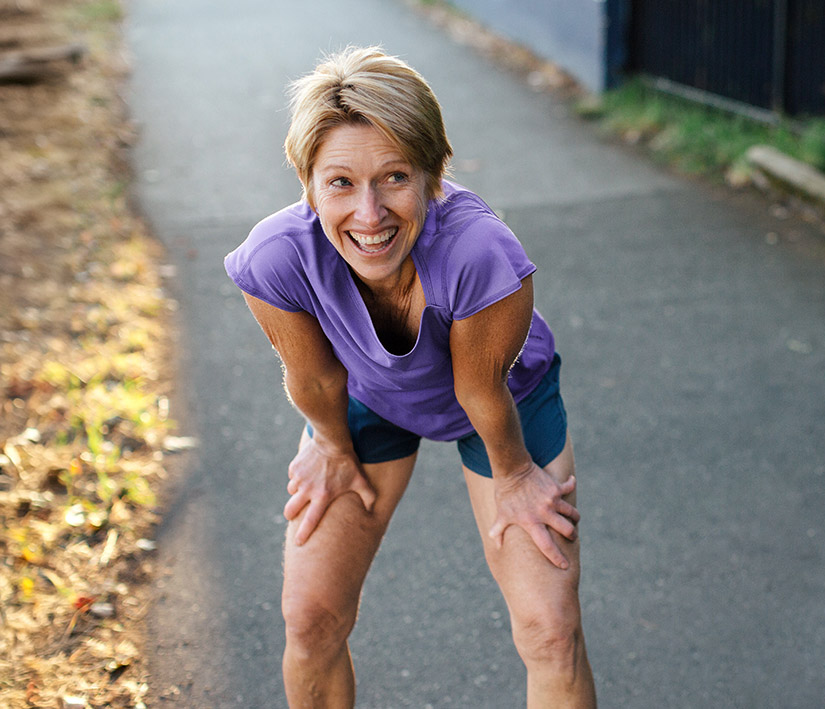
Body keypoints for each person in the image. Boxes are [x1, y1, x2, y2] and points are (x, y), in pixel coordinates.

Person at [223, 46, 595, 708]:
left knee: (550, 630)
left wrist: (513, 477)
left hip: (503, 405)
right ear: (307, 184)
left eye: (394, 177)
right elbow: (314, 381)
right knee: (310, 617)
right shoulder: (276, 257)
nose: (370, 215)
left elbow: (479, 390)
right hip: (367, 396)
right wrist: (333, 447)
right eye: (340, 182)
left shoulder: (481, 255)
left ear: (433, 175)